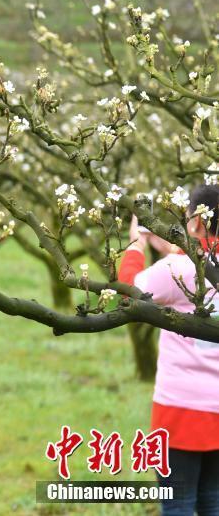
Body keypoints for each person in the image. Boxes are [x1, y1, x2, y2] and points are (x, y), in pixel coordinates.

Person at [118, 184, 219, 515]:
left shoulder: (178, 269)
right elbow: (196, 268)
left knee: (178, 502)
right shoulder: (185, 265)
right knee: (213, 500)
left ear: (197, 222)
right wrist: (170, 251)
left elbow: (131, 293)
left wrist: (136, 245)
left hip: (180, 411)